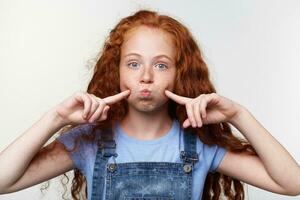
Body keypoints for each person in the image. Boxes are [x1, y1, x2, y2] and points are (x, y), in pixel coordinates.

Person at [0, 9, 299, 200]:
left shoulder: (199, 146)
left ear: (178, 73)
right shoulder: (90, 142)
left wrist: (239, 115)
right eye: (133, 64)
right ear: (115, 71)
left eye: (160, 65)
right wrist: (55, 118)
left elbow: (292, 184)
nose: (145, 77)